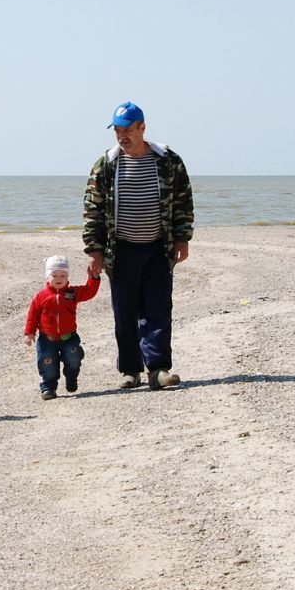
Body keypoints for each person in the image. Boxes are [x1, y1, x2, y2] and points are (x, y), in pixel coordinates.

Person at [83, 101, 194, 390]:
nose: (122, 136)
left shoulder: (168, 160)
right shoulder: (106, 164)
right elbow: (93, 209)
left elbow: (183, 201)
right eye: (117, 130)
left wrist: (182, 238)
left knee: (158, 309)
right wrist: (94, 251)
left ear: (142, 127)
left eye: (128, 129)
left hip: (158, 247)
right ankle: (130, 370)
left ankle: (158, 369)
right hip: (121, 250)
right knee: (125, 312)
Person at [22, 255, 101, 400]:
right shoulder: (41, 296)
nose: (59, 278)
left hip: (68, 337)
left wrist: (94, 278)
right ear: (47, 276)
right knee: (47, 364)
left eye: (63, 275)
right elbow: (33, 314)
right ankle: (48, 387)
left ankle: (71, 377)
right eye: (54, 275)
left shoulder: (72, 293)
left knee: (73, 358)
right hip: (47, 339)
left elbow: (89, 291)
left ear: (68, 276)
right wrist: (29, 332)